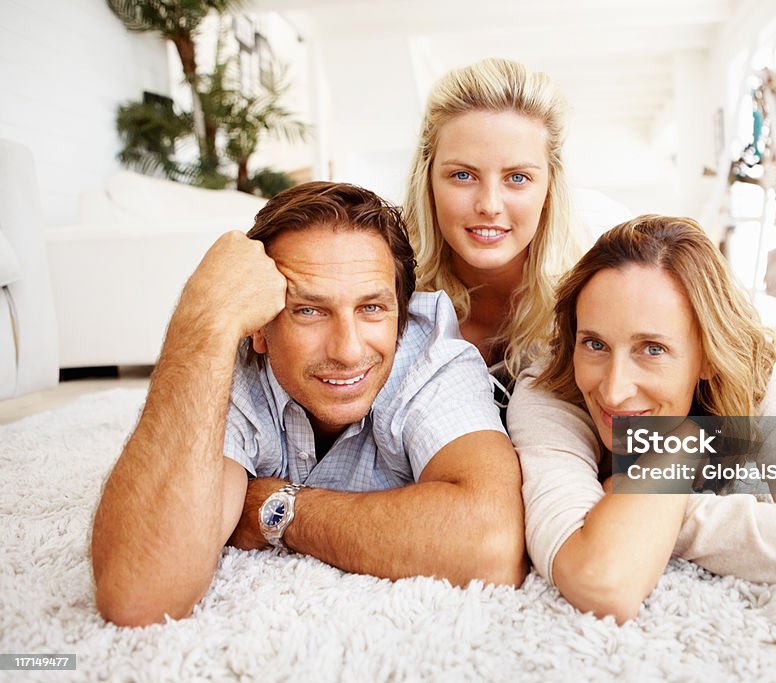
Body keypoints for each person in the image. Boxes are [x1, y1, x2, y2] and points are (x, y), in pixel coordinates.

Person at [91, 182, 527, 628]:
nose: (348, 349)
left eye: (373, 308)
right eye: (309, 311)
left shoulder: (430, 352)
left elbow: (491, 545)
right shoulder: (236, 364)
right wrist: (202, 322)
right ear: (258, 328)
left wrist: (274, 506)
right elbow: (140, 593)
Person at [507, 215, 776, 624]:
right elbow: (601, 581)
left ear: (707, 355)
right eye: (594, 344)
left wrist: (662, 494)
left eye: (652, 349)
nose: (613, 391)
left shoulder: (756, 370)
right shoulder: (549, 392)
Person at [404, 58, 584, 400]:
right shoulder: (386, 304)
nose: (489, 204)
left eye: (518, 178)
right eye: (462, 175)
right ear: (427, 182)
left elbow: (686, 442)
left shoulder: (592, 301)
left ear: (549, 189)